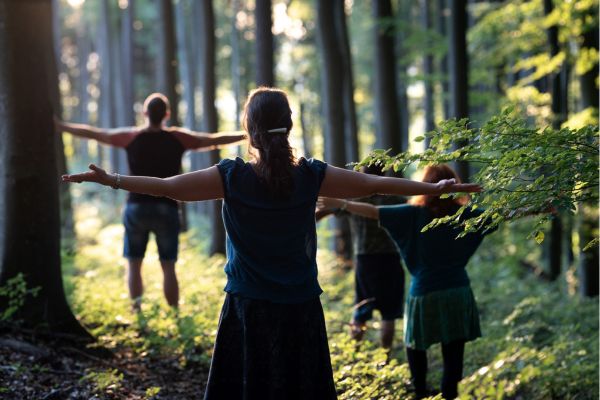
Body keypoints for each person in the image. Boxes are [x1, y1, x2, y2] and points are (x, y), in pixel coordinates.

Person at [62, 87, 481, 399]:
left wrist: (111, 180)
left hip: (248, 308)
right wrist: (434, 186)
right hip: (301, 308)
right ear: (290, 125)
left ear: (249, 129)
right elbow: (373, 183)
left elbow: (168, 187)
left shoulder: (231, 177)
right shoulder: (311, 175)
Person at [56, 93, 246, 311]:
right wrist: (246, 134)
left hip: (136, 207)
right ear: (166, 114)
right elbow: (213, 140)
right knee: (168, 266)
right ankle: (174, 313)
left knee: (134, 263)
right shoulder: (178, 138)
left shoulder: (130, 136)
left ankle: (136, 309)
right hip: (167, 207)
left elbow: (96, 133)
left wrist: (61, 127)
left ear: (144, 113)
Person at [318, 164, 495, 400]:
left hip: (423, 293)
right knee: (454, 357)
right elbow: (504, 213)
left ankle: (421, 392)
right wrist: (539, 207)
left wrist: (342, 204)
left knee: (415, 348)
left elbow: (373, 212)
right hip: (457, 292)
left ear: (426, 185)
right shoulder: (466, 215)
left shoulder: (413, 214)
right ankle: (449, 395)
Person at [316, 164, 405, 349]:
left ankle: (356, 350)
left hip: (365, 261)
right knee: (389, 313)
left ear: (363, 175)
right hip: (391, 259)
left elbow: (323, 212)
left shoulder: (352, 200)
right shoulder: (396, 199)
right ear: (384, 173)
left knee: (361, 309)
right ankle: (386, 357)